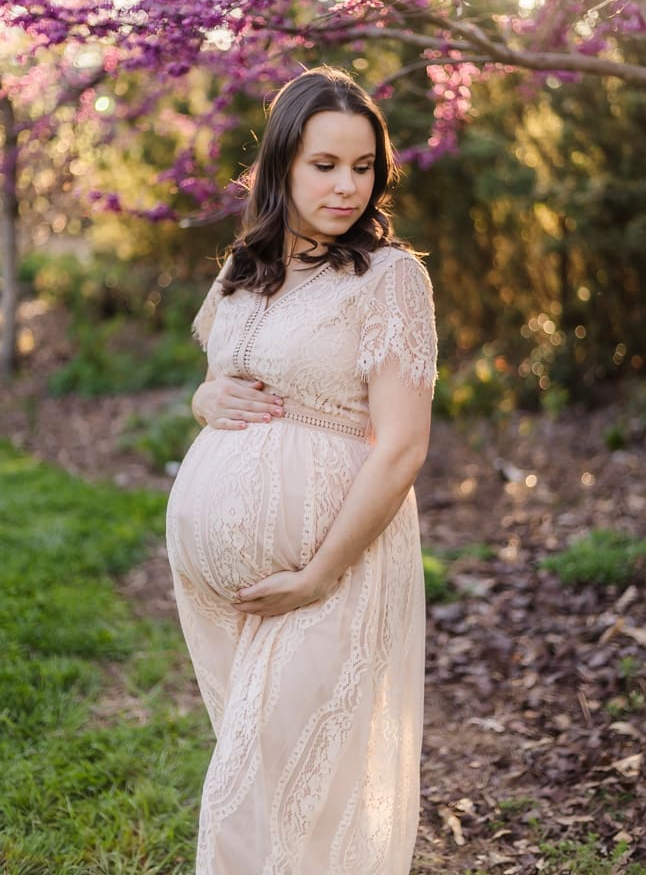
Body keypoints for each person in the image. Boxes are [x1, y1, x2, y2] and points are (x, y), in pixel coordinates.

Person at [165, 65, 438, 874]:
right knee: (280, 791)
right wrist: (205, 400)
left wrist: (319, 573)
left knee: (251, 793)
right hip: (220, 591)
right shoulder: (244, 270)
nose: (347, 186)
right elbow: (217, 380)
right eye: (325, 165)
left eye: (363, 167)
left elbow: (402, 446)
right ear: (281, 164)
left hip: (330, 571)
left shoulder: (389, 279)